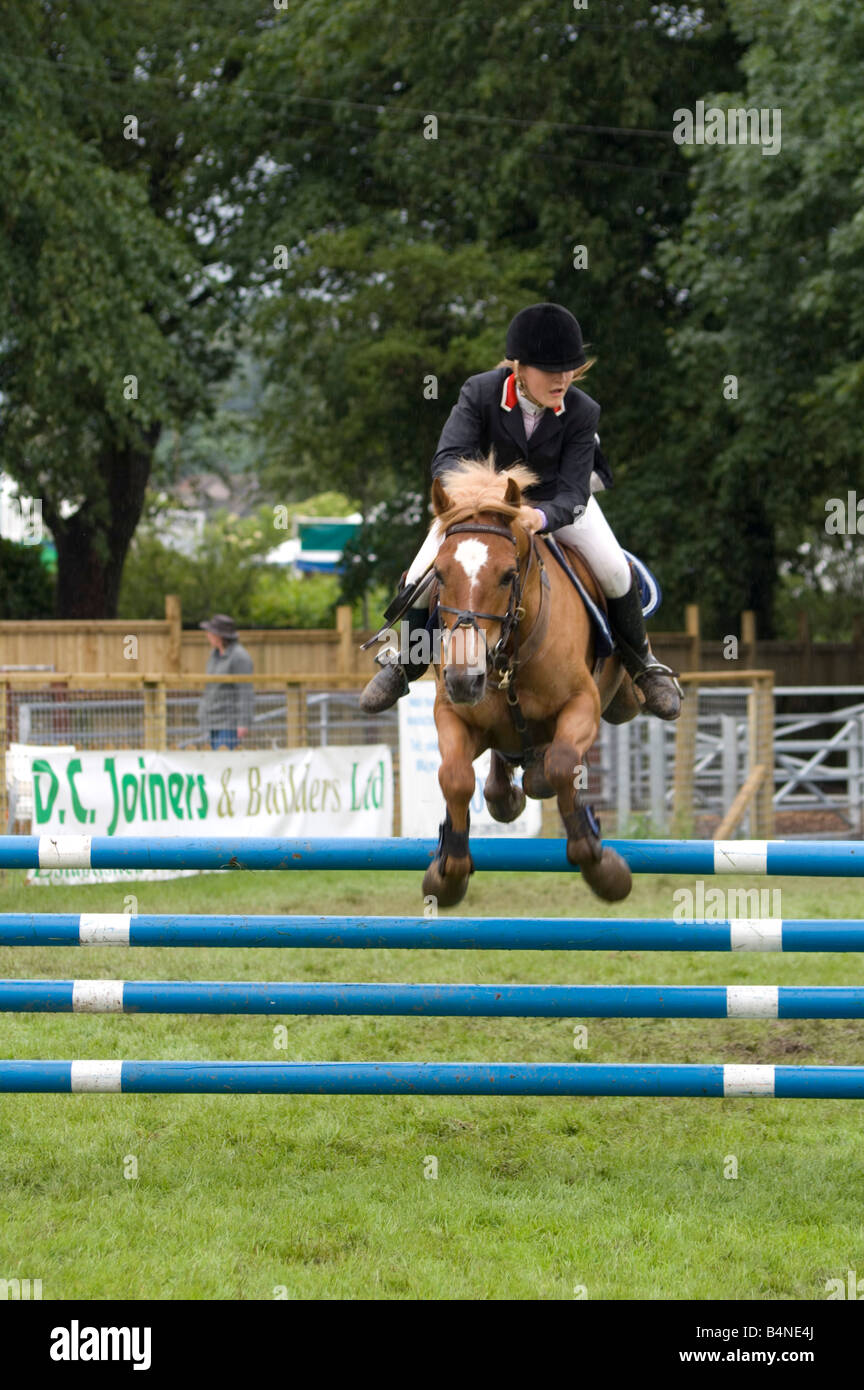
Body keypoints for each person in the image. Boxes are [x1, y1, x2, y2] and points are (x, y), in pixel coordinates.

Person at [360, 302, 681, 720]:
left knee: (616, 570)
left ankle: (643, 665)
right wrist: (479, 499)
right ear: (519, 367)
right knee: (422, 572)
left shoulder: (583, 411)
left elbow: (572, 491)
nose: (563, 379)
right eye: (551, 370)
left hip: (560, 508)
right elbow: (448, 458)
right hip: (483, 509)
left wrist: (540, 517)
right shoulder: (480, 392)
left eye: (569, 369)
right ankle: (405, 659)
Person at [197, 614, 254, 749]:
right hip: (212, 720)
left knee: (224, 762)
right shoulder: (214, 655)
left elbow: (245, 691)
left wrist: (243, 722)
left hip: (229, 722)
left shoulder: (239, 657)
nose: (208, 635)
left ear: (220, 635)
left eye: (210, 632)